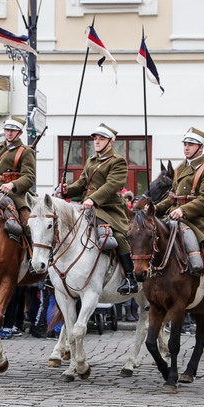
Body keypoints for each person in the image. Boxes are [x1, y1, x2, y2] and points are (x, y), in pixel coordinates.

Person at [154, 127, 204, 314]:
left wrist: (183, 210)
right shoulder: (180, 168)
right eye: (185, 144)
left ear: (200, 148)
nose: (186, 148)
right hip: (174, 215)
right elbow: (172, 197)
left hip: (200, 219)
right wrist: (155, 208)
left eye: (191, 145)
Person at [58, 123, 138, 295]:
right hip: (89, 206)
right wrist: (67, 190)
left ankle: (130, 278)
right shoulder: (91, 160)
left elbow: (111, 185)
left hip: (109, 208)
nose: (97, 141)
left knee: (116, 236)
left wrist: (93, 199)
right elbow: (82, 183)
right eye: (95, 138)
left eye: (101, 138)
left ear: (110, 142)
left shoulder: (118, 161)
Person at [0, 116, 36, 238]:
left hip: (16, 193)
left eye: (13, 130)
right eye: (7, 130)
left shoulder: (25, 151)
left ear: (20, 133)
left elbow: (29, 177)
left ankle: (31, 251)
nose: (9, 133)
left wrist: (12, 184)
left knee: (27, 222)